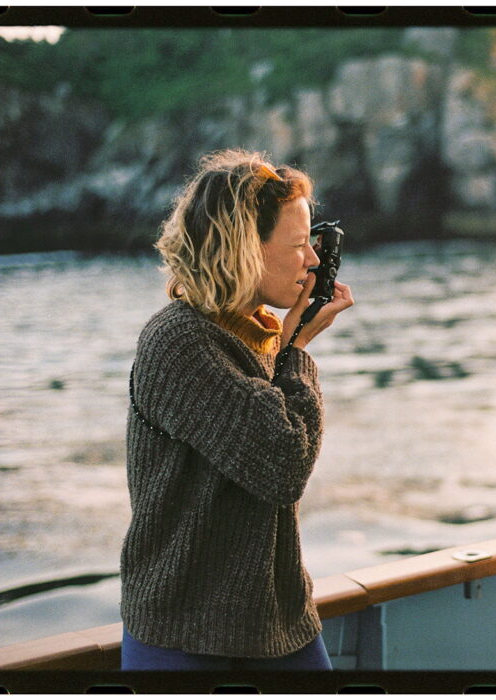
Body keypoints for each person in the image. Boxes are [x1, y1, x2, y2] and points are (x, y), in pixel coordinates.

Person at [120, 149, 354, 670]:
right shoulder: (178, 341)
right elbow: (282, 464)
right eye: (298, 246)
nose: (313, 261)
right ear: (245, 249)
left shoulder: (257, 331)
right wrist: (296, 352)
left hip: (279, 619)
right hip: (185, 633)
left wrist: (289, 346)